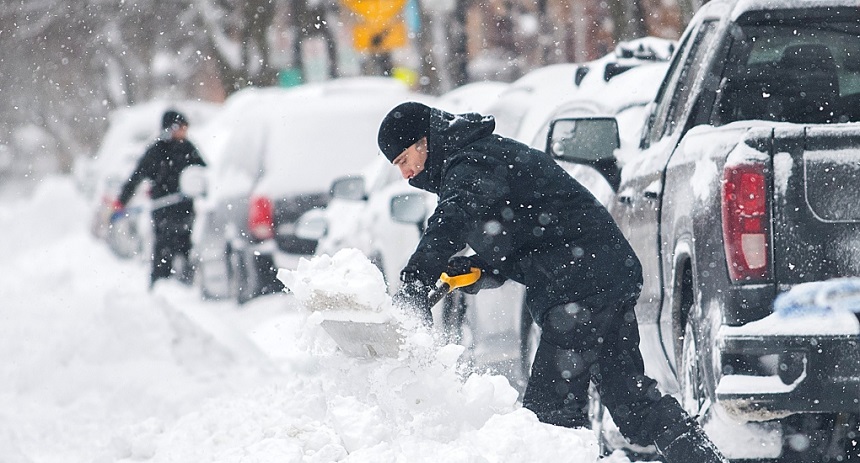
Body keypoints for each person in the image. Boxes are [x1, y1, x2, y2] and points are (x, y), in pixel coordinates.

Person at [377, 102, 727, 463]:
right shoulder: (478, 157)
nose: (406, 173)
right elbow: (524, 237)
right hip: (599, 276)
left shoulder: (471, 161)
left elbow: (451, 221)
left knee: (549, 415)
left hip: (581, 285)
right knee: (632, 404)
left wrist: (415, 283)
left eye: (404, 160)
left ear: (425, 142)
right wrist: (480, 268)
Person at [114, 110, 206, 289]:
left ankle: (186, 287)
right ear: (170, 129)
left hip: (185, 210)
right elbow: (136, 177)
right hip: (163, 213)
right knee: (163, 251)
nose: (184, 132)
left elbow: (203, 172)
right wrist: (121, 201)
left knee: (185, 248)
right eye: (180, 128)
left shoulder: (188, 148)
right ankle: (159, 286)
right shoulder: (156, 152)